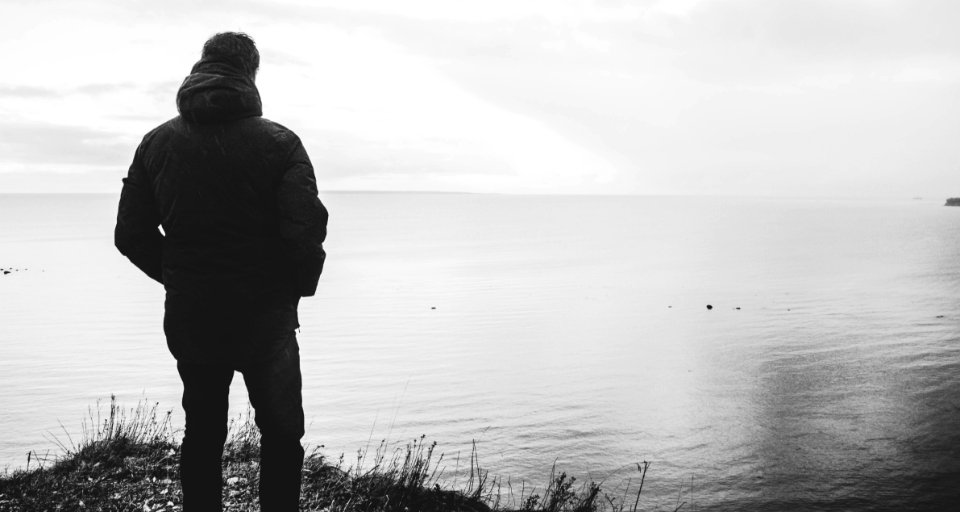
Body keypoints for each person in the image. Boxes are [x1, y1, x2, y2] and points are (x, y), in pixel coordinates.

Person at [115, 32, 328, 511]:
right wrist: (296, 287)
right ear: (250, 73)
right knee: (280, 433)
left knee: (203, 430)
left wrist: (180, 275)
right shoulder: (280, 142)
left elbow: (130, 234)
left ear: (202, 66)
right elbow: (305, 230)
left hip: (194, 314)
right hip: (265, 318)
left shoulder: (156, 143)